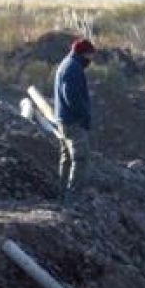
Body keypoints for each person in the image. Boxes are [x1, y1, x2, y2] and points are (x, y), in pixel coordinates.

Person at [54, 37, 95, 196]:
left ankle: (62, 192)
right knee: (80, 157)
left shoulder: (67, 64)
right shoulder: (73, 68)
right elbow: (70, 96)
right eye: (91, 55)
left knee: (66, 158)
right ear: (85, 53)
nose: (91, 60)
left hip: (64, 119)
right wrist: (83, 115)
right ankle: (74, 195)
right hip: (73, 121)